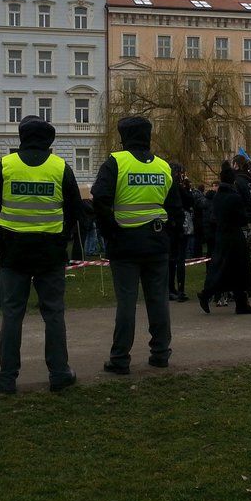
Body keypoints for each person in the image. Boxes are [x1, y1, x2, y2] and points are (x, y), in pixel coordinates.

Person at [0, 115, 82, 394]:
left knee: (12, 314)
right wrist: (63, 238)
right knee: (53, 314)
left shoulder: (6, 166)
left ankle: (7, 377)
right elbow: (76, 211)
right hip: (50, 255)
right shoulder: (60, 167)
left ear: (21, 138)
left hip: (13, 255)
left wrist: (1, 235)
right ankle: (59, 373)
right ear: (49, 140)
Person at [92, 116, 182, 374]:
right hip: (157, 242)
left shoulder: (116, 162)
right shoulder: (163, 167)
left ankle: (120, 358)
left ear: (123, 137)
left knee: (126, 304)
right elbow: (175, 207)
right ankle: (161, 353)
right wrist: (167, 234)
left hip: (125, 245)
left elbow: (100, 200)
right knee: (159, 301)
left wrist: (111, 232)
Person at [197, 161, 251, 314]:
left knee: (224, 269)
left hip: (222, 236)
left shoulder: (218, 196)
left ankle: (239, 302)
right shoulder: (234, 197)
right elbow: (241, 219)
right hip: (234, 237)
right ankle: (208, 295)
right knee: (237, 269)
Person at [167, 163, 193, 302]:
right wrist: (187, 188)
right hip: (178, 226)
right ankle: (179, 290)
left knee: (171, 259)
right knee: (179, 259)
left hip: (170, 226)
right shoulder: (178, 187)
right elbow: (189, 201)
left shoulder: (167, 186)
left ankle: (170, 288)